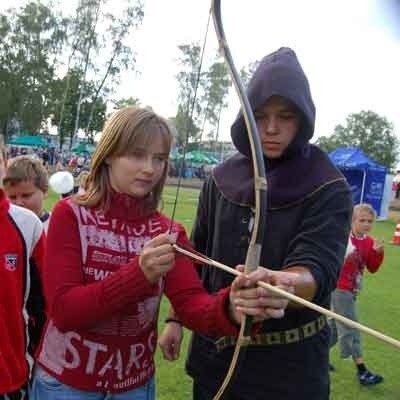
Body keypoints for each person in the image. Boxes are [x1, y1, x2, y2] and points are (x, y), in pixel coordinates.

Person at [29, 107, 290, 400]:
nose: (150, 168)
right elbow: (64, 311)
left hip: (134, 387)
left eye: (160, 159)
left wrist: (232, 306)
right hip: (66, 386)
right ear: (110, 154)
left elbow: (193, 304)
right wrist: (139, 275)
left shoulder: (168, 231)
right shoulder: (70, 214)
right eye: (137, 155)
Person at [159, 47, 353, 400]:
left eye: (285, 115)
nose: (272, 128)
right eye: (260, 116)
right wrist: (175, 319)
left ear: (304, 118)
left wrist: (282, 284)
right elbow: (197, 257)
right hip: (217, 355)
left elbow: (318, 266)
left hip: (290, 370)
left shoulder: (328, 185)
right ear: (245, 117)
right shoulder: (220, 178)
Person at [0, 136, 46, 400]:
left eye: (26, 195)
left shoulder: (28, 226)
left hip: (11, 378)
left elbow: (44, 305)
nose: (19, 201)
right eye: (14, 195)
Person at [329, 203, 384, 385]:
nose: (366, 224)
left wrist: (378, 253)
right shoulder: (343, 239)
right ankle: (362, 371)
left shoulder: (368, 242)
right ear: (352, 221)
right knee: (351, 328)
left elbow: (373, 268)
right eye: (362, 220)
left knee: (334, 330)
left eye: (369, 221)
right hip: (339, 288)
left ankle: (313, 356)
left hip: (352, 289)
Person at [3, 155, 51, 231]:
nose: (18, 203)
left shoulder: (58, 226)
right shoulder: (4, 227)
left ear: (44, 191)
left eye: (26, 196)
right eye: (12, 197)